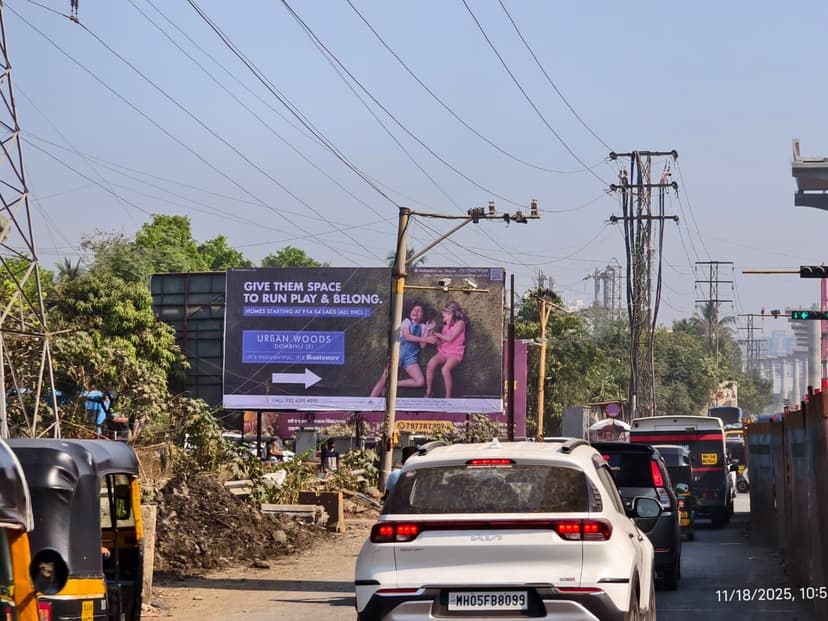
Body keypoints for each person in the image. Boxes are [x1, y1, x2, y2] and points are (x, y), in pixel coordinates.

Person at [370, 301, 435, 397]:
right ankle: (370, 401)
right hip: (397, 355)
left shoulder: (422, 327)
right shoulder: (406, 322)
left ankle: (393, 384)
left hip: (411, 359)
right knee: (384, 378)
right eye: (414, 309)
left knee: (420, 381)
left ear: (423, 316)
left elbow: (422, 346)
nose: (416, 311)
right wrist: (426, 339)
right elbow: (407, 337)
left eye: (419, 311)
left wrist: (427, 330)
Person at [425, 301, 468, 399]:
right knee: (430, 364)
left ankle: (448, 397)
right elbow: (444, 341)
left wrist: (436, 334)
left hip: (455, 352)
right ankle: (428, 392)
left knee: (445, 369)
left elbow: (450, 338)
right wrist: (435, 338)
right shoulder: (446, 326)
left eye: (444, 316)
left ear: (451, 313)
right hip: (444, 351)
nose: (443, 318)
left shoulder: (460, 324)